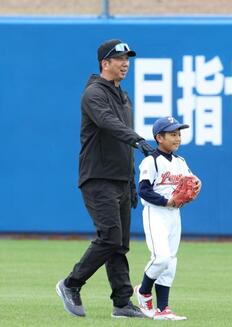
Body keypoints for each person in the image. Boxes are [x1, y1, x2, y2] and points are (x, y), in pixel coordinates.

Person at [56, 39, 153, 318]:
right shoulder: (93, 93)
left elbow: (122, 141)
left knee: (119, 244)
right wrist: (138, 140)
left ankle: (122, 302)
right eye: (119, 58)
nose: (125, 63)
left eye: (128, 59)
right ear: (104, 63)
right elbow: (109, 124)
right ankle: (70, 284)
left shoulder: (123, 95)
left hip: (120, 179)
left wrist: (132, 182)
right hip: (98, 177)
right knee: (109, 237)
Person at [133, 116, 201, 320]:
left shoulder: (180, 162)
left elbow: (192, 180)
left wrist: (198, 184)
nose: (177, 138)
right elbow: (143, 190)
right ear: (159, 137)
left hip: (174, 215)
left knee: (170, 262)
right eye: (172, 134)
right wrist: (167, 201)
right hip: (156, 213)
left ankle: (163, 309)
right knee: (160, 257)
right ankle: (144, 291)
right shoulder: (151, 161)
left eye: (179, 134)